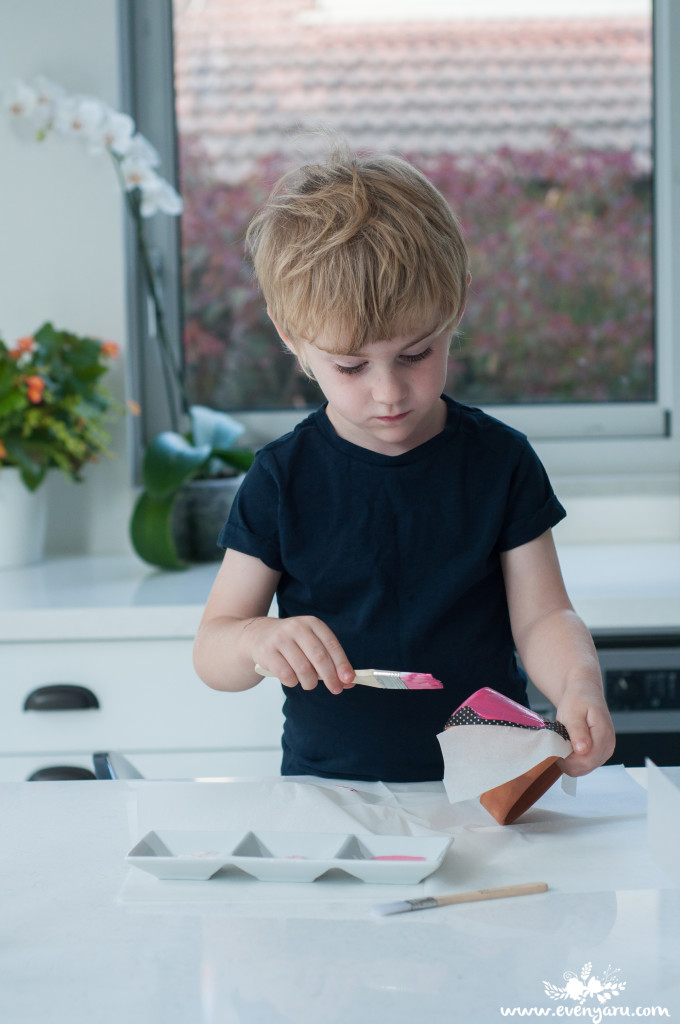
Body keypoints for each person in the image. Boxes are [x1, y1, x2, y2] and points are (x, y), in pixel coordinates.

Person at [193, 146, 615, 783]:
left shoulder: (501, 462)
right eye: (352, 366)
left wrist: (578, 684)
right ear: (289, 335)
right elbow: (212, 651)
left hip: (493, 789)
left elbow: (543, 617)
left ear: (456, 307)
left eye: (416, 354)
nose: (388, 393)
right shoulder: (281, 478)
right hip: (329, 795)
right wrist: (255, 642)